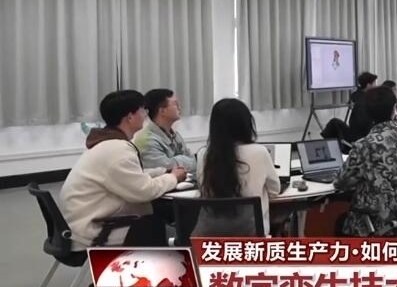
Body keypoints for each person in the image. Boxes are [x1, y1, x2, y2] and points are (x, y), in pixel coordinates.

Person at [59, 90, 187, 248]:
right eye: (142, 110)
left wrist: (161, 172)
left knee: (161, 210)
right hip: (95, 230)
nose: (145, 115)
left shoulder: (108, 145)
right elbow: (144, 191)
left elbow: (130, 175)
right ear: (130, 117)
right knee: (159, 219)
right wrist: (173, 177)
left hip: (87, 221)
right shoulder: (117, 150)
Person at [334, 86, 397, 236]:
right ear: (394, 109)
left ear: (367, 112)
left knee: (341, 222)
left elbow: (341, 182)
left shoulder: (364, 145)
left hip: (377, 222)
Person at [195, 98, 281, 235]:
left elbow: (203, 189)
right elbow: (274, 190)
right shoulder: (259, 152)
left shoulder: (203, 154)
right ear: (246, 124)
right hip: (251, 233)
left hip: (209, 236)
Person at [133, 89, 195, 174]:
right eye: (176, 104)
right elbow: (165, 169)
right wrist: (182, 160)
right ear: (162, 111)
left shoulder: (174, 134)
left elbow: (192, 161)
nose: (179, 108)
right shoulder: (146, 140)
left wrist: (180, 161)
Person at [348, 71, 378, 142]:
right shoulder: (364, 100)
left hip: (357, 133)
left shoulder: (356, 95)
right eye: (374, 83)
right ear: (368, 85)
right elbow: (364, 123)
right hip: (363, 136)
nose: (376, 85)